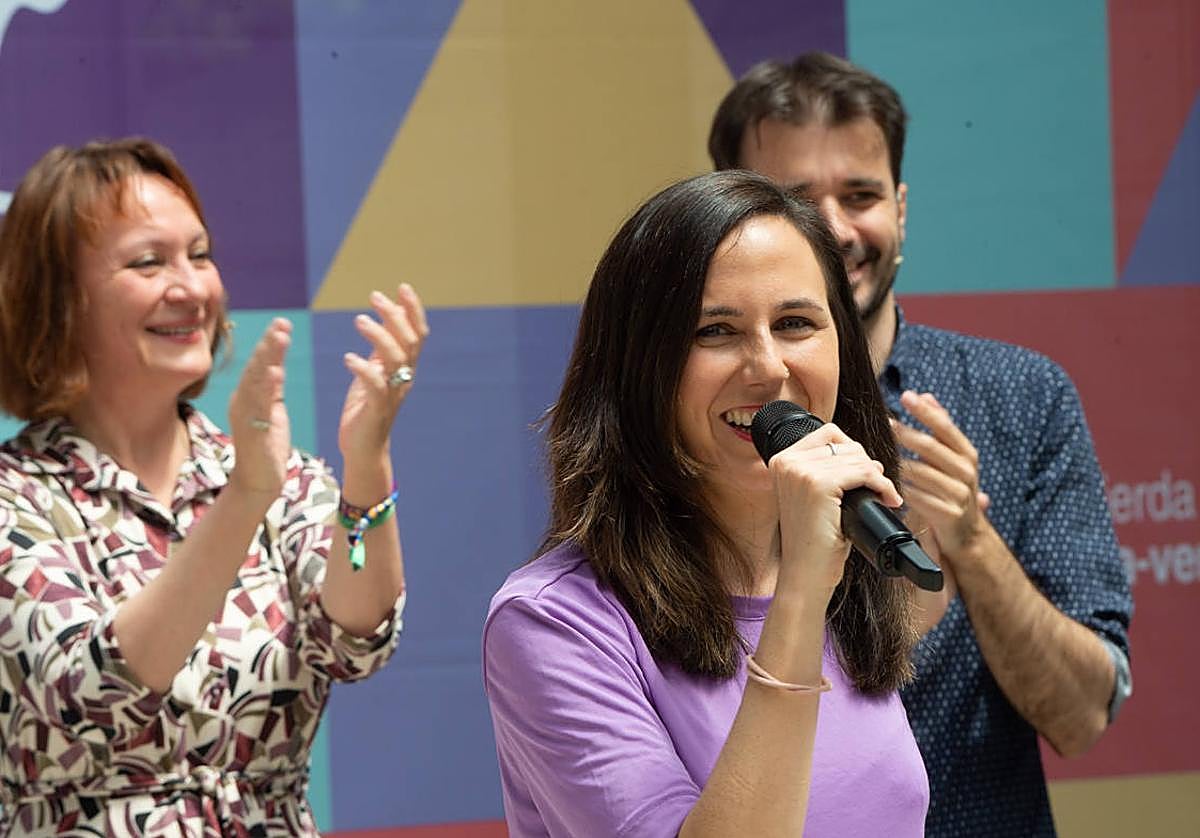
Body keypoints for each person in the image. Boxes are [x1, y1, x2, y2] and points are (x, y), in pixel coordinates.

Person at [709, 52, 1133, 837]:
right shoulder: (699, 429)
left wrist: (972, 544)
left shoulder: (1020, 397)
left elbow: (1083, 716)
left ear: (901, 206)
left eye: (861, 195)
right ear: (728, 218)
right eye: (798, 201)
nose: (836, 228)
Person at [0, 138, 428, 835]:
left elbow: (355, 635)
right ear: (58, 299)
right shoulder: (17, 498)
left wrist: (365, 467)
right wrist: (243, 500)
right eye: (149, 262)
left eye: (199, 255)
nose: (193, 287)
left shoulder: (276, 475)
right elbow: (98, 689)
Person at [484, 170, 928, 837]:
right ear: (639, 367)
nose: (768, 367)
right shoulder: (552, 623)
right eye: (715, 331)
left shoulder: (845, 567)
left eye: (797, 323)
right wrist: (802, 597)